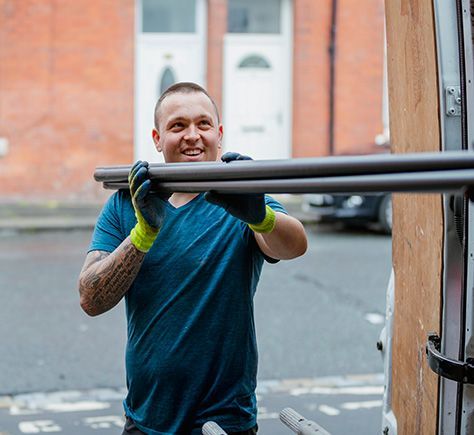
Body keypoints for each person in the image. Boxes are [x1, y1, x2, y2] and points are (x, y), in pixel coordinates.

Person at [78, 82, 308, 435]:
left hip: (224, 420)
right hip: (146, 417)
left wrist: (259, 215)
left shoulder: (242, 197)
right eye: (177, 126)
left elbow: (294, 245)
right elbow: (91, 298)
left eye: (203, 124)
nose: (192, 135)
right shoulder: (128, 203)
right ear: (157, 138)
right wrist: (143, 234)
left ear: (219, 134)